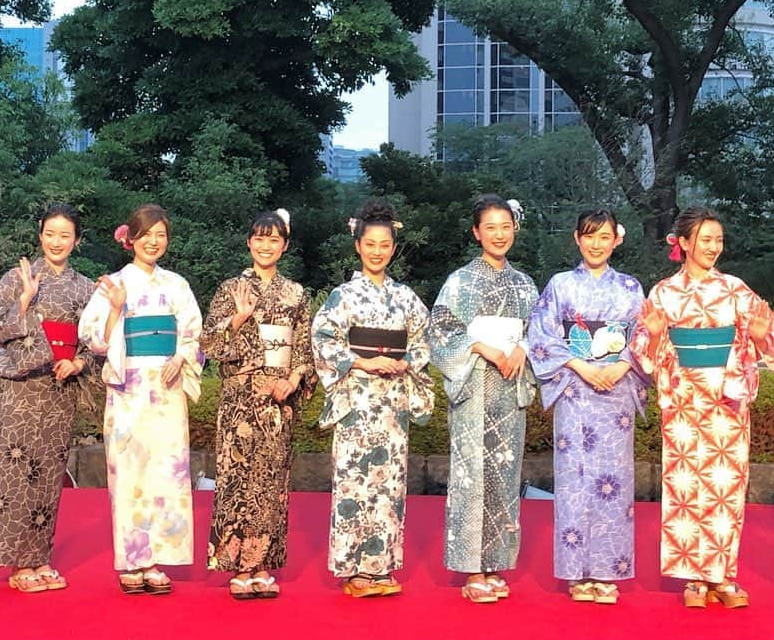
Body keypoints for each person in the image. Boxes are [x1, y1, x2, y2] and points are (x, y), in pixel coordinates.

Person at [631, 206, 774, 608]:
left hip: (726, 401)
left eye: (718, 240)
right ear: (683, 243)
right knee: (686, 488)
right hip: (684, 401)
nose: (714, 247)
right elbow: (643, 352)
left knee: (725, 490)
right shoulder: (664, 292)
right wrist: (651, 336)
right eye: (705, 240)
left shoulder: (736, 288)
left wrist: (759, 336)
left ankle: (723, 575)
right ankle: (694, 579)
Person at [78, 204, 203, 595]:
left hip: (166, 389)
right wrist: (116, 308)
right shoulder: (113, 284)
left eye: (161, 234)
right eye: (146, 234)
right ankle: (134, 560)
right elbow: (93, 339)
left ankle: (159, 558)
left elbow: (194, 333)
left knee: (168, 472)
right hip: (129, 388)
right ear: (129, 239)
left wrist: (181, 357)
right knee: (130, 475)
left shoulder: (177, 285)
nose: (154, 241)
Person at [311, 200, 434, 598]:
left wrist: (405, 362)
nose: (377, 251)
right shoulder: (343, 296)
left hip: (392, 402)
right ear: (358, 246)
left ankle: (380, 567)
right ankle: (353, 568)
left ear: (393, 249)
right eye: (370, 244)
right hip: (357, 401)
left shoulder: (407, 298)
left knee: (389, 484)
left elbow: (424, 340)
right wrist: (362, 361)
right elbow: (323, 339)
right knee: (354, 483)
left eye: (385, 245)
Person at [528, 209, 647, 605]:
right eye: (590, 236)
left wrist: (622, 365)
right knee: (575, 481)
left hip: (616, 393)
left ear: (617, 240)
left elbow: (645, 337)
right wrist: (580, 365)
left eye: (605, 236)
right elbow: (541, 334)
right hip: (575, 390)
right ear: (577, 239)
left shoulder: (631, 288)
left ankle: (608, 571)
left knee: (615, 482)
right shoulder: (560, 285)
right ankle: (577, 573)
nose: (597, 244)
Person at [0, 202, 97, 593]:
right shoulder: (20, 276)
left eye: (65, 235)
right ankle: (17, 564)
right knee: (16, 472)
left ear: (77, 240)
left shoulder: (85, 287)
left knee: (49, 473)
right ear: (40, 235)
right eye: (50, 234)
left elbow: (93, 341)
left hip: (58, 387)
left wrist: (78, 364)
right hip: (20, 388)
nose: (57, 242)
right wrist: (25, 299)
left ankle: (39, 557)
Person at [426, 194, 538, 604]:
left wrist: (524, 347)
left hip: (509, 390)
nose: (499, 234)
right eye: (490, 227)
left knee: (505, 478)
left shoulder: (525, 284)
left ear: (515, 228)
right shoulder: (459, 282)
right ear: (476, 233)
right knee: (472, 477)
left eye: (505, 226)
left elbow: (538, 331)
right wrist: (480, 346)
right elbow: (439, 331)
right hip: (474, 390)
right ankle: (472, 568)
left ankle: (495, 563)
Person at [200, 209, 317, 600]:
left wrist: (294, 378)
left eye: (274, 239)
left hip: (278, 398)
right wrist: (237, 318)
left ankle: (262, 564)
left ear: (284, 245)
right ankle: (238, 565)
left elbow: (305, 347)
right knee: (236, 477)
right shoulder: (230, 288)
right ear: (249, 242)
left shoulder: (297, 294)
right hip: (239, 397)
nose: (266, 246)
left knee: (272, 482)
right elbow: (210, 344)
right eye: (260, 238)